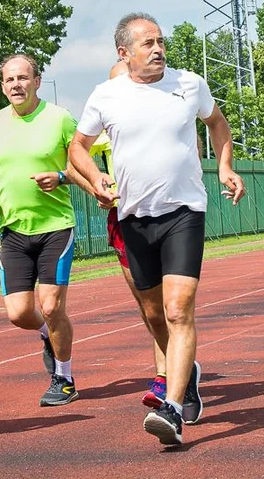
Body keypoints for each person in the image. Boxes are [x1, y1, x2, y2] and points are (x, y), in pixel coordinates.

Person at [69, 12, 245, 447]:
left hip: (184, 210)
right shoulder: (106, 95)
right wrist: (96, 179)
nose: (159, 49)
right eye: (148, 43)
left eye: (160, 41)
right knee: (152, 314)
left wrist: (225, 166)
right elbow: (78, 147)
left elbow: (218, 123)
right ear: (124, 53)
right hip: (133, 216)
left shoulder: (189, 84)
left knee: (178, 309)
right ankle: (188, 373)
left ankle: (172, 406)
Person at [0, 54, 95, 407]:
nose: (16, 85)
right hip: (14, 229)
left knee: (50, 305)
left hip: (55, 227)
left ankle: (64, 378)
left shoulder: (60, 119)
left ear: (37, 81)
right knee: (19, 314)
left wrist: (61, 177)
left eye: (23, 78)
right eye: (9, 80)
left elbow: (81, 162)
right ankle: (49, 335)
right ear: (2, 86)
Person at [93, 60, 168, 409]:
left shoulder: (165, 110)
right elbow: (74, 155)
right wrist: (95, 181)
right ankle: (172, 368)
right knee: (148, 304)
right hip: (124, 218)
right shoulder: (106, 123)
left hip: (168, 212)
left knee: (174, 304)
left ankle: (168, 376)